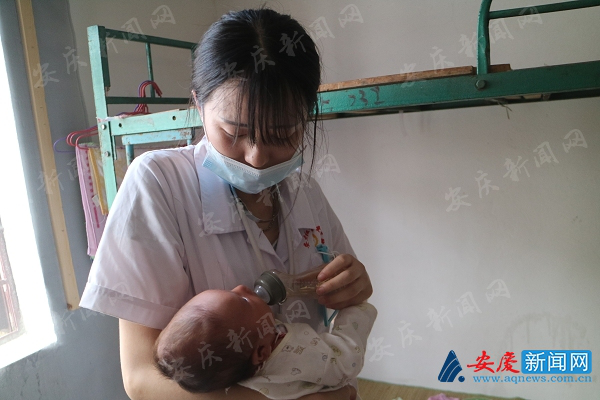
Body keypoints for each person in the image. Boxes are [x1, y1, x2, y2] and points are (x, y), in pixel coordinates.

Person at [80, 6, 373, 400]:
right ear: (199, 104)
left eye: (282, 134)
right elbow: (141, 379)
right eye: (235, 132)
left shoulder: (305, 191)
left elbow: (342, 301)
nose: (257, 156)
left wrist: (354, 286)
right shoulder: (159, 183)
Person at [154, 285, 377, 399]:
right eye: (243, 301)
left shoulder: (239, 370)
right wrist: (355, 309)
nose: (242, 287)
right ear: (262, 352)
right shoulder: (296, 356)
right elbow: (346, 359)